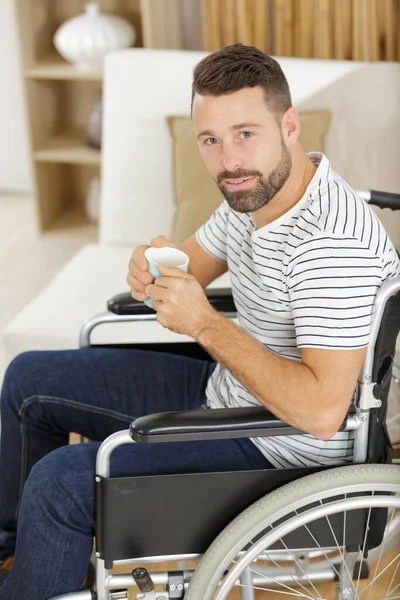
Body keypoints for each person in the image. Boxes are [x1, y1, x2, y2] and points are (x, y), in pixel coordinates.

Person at [0, 43, 399, 599]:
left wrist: (204, 323)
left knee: (60, 485)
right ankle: (19, 560)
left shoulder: (330, 246)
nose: (228, 160)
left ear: (289, 125)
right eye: (210, 140)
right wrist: (152, 265)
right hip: (229, 391)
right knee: (25, 380)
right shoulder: (255, 194)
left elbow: (321, 414)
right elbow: (191, 260)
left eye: (244, 133)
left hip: (280, 449)